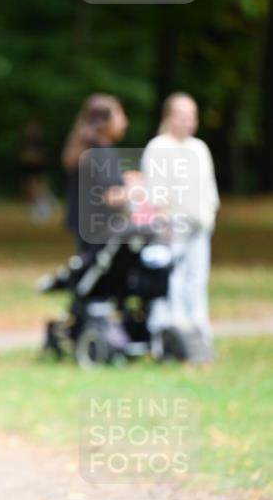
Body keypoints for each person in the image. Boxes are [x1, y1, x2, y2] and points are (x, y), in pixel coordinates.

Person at [142, 92, 219, 359]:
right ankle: (171, 336)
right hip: (173, 229)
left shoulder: (199, 148)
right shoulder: (159, 147)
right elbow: (156, 191)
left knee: (196, 282)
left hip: (200, 227)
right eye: (182, 115)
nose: (188, 122)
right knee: (171, 283)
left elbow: (208, 189)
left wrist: (209, 215)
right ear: (170, 117)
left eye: (192, 116)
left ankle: (198, 334)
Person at [61, 93, 129, 257]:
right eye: (119, 115)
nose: (125, 122)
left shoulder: (85, 149)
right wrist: (141, 191)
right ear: (103, 122)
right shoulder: (102, 152)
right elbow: (109, 196)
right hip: (100, 227)